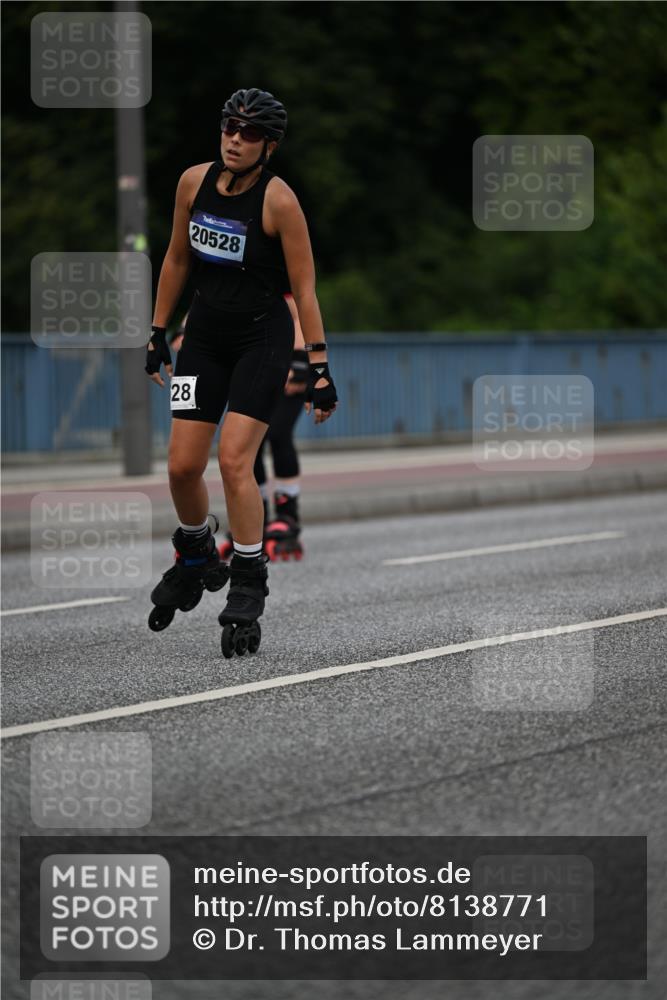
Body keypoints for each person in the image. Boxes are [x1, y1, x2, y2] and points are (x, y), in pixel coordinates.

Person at [144, 88, 337, 655]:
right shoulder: (192, 182)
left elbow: (303, 289)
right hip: (202, 336)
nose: (235, 138)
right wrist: (157, 332)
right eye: (230, 126)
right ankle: (197, 550)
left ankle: (250, 577)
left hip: (262, 338)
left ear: (268, 146)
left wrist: (321, 367)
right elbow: (178, 258)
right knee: (181, 468)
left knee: (234, 461)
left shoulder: (280, 202)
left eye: (249, 132)